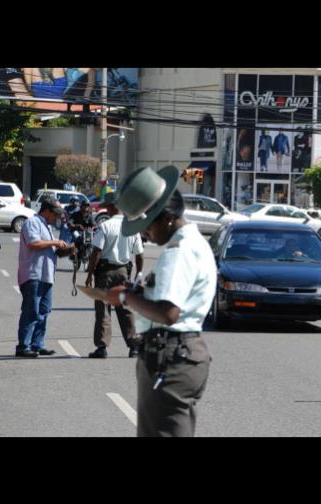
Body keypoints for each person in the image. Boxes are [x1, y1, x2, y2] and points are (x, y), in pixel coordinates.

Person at [103, 165, 217, 437]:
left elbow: (168, 312)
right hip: (177, 353)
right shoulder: (192, 242)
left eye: (146, 227)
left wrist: (125, 297)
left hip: (171, 355)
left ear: (165, 218)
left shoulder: (180, 251)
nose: (145, 235)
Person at [85, 192, 145, 359]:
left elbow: (96, 251)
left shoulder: (105, 226)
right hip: (123, 271)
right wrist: (138, 275)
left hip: (105, 272)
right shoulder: (131, 226)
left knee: (103, 309)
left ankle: (102, 347)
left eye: (108, 207)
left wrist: (90, 273)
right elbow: (139, 254)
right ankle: (134, 347)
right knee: (126, 310)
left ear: (112, 208)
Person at [16, 195, 75, 358]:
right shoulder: (32, 223)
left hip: (47, 275)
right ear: (46, 210)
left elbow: (51, 250)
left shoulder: (47, 227)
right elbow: (33, 244)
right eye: (55, 213)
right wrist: (56, 242)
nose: (56, 217)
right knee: (31, 311)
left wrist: (69, 249)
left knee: (44, 311)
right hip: (33, 274)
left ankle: (37, 344)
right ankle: (23, 346)